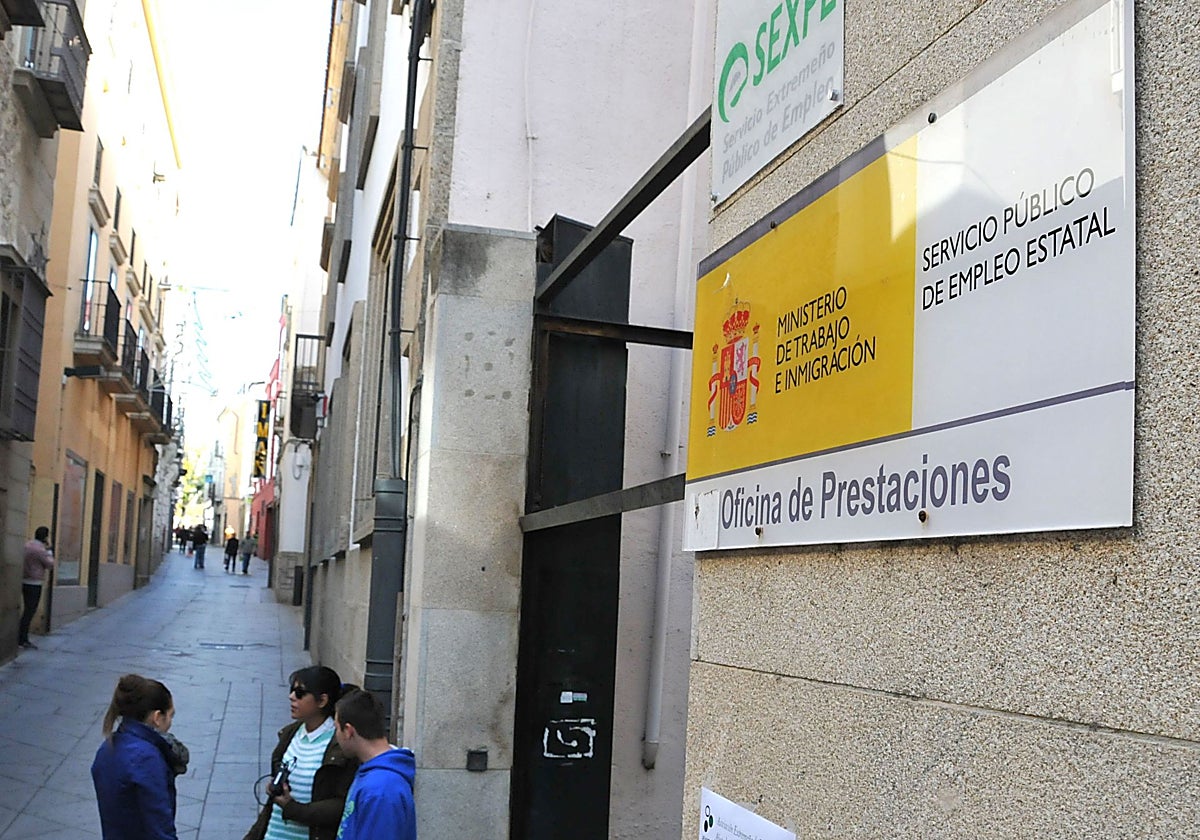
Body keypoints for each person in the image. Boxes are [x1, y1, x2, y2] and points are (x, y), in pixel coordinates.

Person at [244, 666, 358, 840]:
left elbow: (342, 805)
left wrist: (293, 809)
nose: (291, 697)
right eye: (292, 691)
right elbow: (272, 806)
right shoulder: (290, 735)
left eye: (300, 693)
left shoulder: (339, 744)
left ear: (322, 700)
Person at [91, 674, 186, 840]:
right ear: (157, 717)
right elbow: (159, 826)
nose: (170, 722)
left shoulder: (106, 749)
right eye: (170, 715)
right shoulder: (146, 758)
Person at [334, 689, 416, 840]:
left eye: (336, 728)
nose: (336, 736)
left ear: (348, 731)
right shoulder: (374, 776)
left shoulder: (381, 789)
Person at [18, 526, 54, 650]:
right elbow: (50, 564)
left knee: (26, 610)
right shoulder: (40, 549)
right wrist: (49, 551)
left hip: (23, 580)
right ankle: (22, 639)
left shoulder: (27, 545)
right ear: (45, 537)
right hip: (34, 582)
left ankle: (21, 637)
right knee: (30, 611)